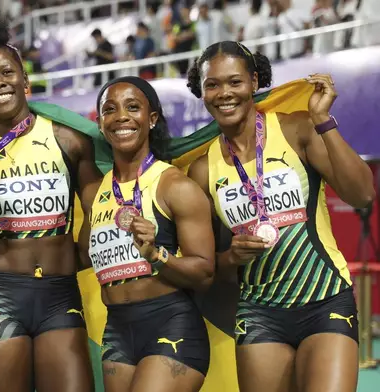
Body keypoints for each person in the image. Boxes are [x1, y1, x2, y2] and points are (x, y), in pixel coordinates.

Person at [186, 41, 374, 392]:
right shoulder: (202, 170)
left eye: (234, 82)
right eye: (212, 84)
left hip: (325, 297)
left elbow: (362, 194)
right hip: (259, 311)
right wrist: (232, 257)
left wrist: (323, 121)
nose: (223, 93)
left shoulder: (296, 129)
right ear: (201, 90)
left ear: (254, 82)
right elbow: (208, 265)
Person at [0, 17, 100, 392]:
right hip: (1, 296)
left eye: (7, 72)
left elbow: (99, 211)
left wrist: (77, 256)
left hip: (60, 294)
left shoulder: (70, 141)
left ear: (25, 81)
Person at [78, 76, 215, 392]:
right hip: (117, 330)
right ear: (100, 123)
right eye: (110, 109)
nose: (121, 116)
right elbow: (82, 257)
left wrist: (157, 255)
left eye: (133, 107)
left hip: (171, 323)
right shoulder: (93, 194)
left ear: (151, 119)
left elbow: (205, 272)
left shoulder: (175, 187)